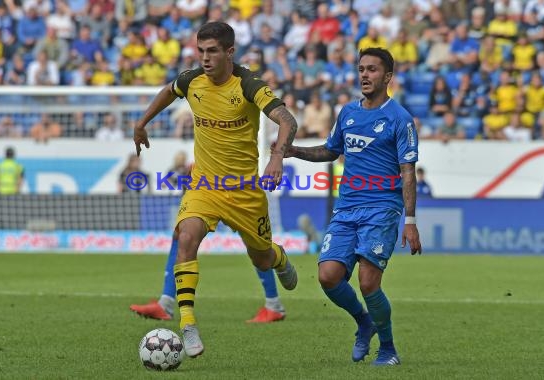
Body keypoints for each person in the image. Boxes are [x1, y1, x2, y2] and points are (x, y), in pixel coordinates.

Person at [133, 22, 299, 358]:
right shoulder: (191, 80)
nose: (205, 59)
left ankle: (279, 258)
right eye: (201, 51)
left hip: (244, 192)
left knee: (262, 257)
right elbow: (168, 91)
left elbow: (287, 120)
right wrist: (141, 122)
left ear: (229, 52)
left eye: (212, 52)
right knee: (186, 235)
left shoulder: (249, 84)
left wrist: (277, 157)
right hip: (204, 185)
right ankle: (188, 324)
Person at [283, 48, 422, 366]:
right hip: (347, 208)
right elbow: (330, 151)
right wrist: (294, 151)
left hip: (382, 207)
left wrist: (410, 220)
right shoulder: (347, 113)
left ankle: (388, 349)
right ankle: (364, 322)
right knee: (328, 276)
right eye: (361, 69)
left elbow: (408, 172)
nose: (364, 75)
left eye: (372, 70)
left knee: (368, 282)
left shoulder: (399, 119)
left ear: (387, 77)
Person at [130, 155, 289, 324]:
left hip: (237, 187)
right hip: (208, 187)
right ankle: (166, 303)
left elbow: (287, 126)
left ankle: (274, 303)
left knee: (257, 248)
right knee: (182, 235)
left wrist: (278, 156)